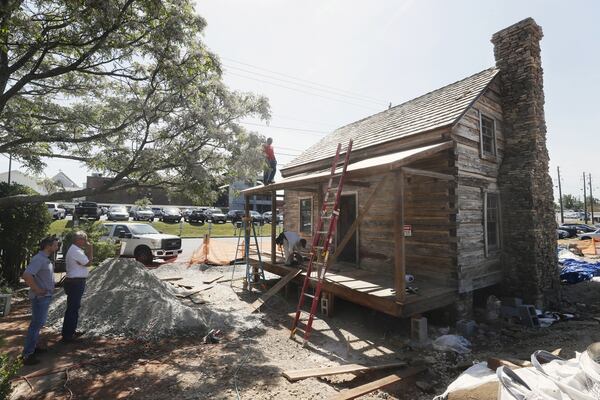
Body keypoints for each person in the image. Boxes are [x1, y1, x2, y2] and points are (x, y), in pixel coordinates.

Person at [22, 237, 60, 365]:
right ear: (48, 246)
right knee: (36, 325)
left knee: (38, 324)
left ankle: (34, 347)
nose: (57, 247)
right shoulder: (39, 259)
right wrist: (37, 289)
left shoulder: (44, 259)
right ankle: (28, 354)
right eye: (55, 245)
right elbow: (27, 275)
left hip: (44, 297)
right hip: (40, 298)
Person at [61, 231, 93, 343]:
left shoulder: (76, 250)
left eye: (85, 238)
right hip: (75, 283)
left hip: (75, 282)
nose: (85, 241)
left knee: (73, 307)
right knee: (73, 308)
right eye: (83, 239)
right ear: (77, 240)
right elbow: (88, 263)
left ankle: (70, 331)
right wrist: (90, 249)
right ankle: (68, 334)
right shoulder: (76, 251)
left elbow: (85, 263)